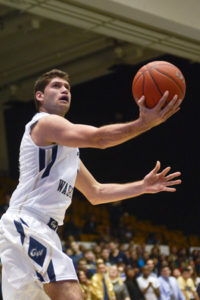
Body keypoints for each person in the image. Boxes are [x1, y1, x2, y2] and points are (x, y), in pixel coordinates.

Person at [0, 69, 182, 300]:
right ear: (39, 97)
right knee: (71, 293)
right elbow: (99, 138)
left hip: (40, 229)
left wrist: (143, 186)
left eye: (67, 87)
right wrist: (143, 123)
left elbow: (96, 192)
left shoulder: (68, 150)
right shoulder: (44, 123)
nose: (64, 89)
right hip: (26, 221)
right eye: (56, 86)